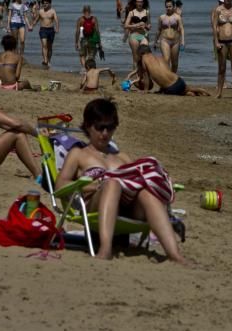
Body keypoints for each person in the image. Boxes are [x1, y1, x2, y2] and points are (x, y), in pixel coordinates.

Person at [56, 99, 189, 264]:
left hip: (127, 208)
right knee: (112, 183)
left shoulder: (122, 157)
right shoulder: (78, 154)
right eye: (100, 127)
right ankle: (105, 249)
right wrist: (91, 185)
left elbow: (137, 182)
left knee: (147, 192)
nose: (105, 133)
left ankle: (175, 255)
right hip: (95, 204)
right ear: (88, 126)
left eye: (110, 127)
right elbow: (60, 185)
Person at [135, 44, 211, 96]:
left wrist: (145, 90)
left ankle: (190, 92)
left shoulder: (144, 59)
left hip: (170, 88)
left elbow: (146, 77)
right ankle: (195, 90)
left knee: (181, 92)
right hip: (178, 80)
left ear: (141, 53)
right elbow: (166, 72)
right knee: (186, 89)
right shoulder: (160, 58)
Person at [156, 0, 184, 73]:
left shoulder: (177, 17)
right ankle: (167, 78)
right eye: (167, 6)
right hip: (164, 40)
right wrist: (155, 41)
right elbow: (158, 30)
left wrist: (183, 41)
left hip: (175, 41)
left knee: (175, 63)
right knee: (166, 60)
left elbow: (181, 29)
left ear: (173, 6)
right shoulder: (161, 17)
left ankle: (173, 78)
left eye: (170, 6)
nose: (168, 8)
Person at [123, 0, 151, 65]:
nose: (139, 3)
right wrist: (136, 25)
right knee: (136, 57)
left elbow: (149, 25)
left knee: (145, 56)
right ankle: (136, 75)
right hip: (134, 36)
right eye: (138, 2)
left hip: (144, 35)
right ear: (135, 3)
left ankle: (144, 74)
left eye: (141, 2)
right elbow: (125, 25)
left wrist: (146, 26)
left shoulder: (147, 12)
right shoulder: (131, 12)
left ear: (143, 3)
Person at [32, 0, 59, 68]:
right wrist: (32, 26)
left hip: (51, 30)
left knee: (49, 47)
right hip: (43, 29)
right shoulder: (40, 11)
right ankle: (45, 60)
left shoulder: (53, 11)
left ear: (50, 4)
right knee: (44, 45)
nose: (45, 4)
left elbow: (56, 20)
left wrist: (57, 28)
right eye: (43, 3)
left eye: (46, 3)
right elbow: (36, 20)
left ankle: (49, 61)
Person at [75, 5, 103, 69]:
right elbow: (97, 31)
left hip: (83, 39)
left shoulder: (80, 19)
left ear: (83, 11)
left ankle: (85, 69)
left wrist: (76, 42)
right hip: (92, 40)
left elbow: (77, 32)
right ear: (90, 11)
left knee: (82, 55)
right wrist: (99, 42)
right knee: (91, 56)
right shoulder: (94, 19)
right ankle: (90, 69)